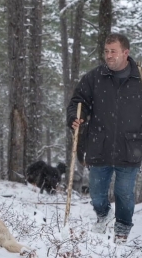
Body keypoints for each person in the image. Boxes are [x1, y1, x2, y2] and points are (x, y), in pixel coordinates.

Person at [67, 33, 142, 244]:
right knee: (97, 193)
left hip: (130, 146)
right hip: (99, 144)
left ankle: (122, 227)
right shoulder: (94, 77)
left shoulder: (139, 78)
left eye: (113, 52)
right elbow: (78, 101)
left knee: (125, 194)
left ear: (126, 53)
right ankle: (103, 215)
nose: (108, 56)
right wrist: (76, 117)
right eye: (106, 51)